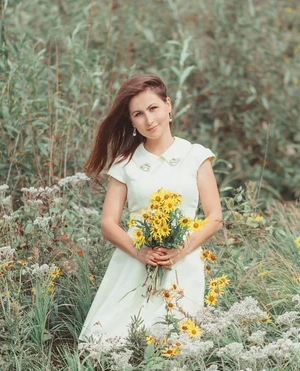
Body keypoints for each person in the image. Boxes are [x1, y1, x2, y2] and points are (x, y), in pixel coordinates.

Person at [79, 74, 222, 341]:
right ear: (132, 121)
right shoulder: (125, 164)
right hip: (133, 263)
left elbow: (214, 217)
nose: (149, 119)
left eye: (153, 108)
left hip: (183, 264)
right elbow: (108, 223)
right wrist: (139, 252)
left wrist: (182, 250)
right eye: (138, 114)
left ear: (168, 106)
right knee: (112, 340)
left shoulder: (196, 156)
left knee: (176, 341)